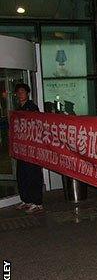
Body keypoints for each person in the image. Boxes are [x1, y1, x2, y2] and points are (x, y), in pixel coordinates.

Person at [14, 83, 44, 214]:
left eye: (22, 92)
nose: (20, 94)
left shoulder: (32, 108)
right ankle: (26, 200)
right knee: (22, 174)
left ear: (27, 93)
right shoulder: (18, 109)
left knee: (33, 174)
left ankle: (37, 202)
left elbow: (37, 126)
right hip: (21, 149)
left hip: (31, 148)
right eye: (18, 92)